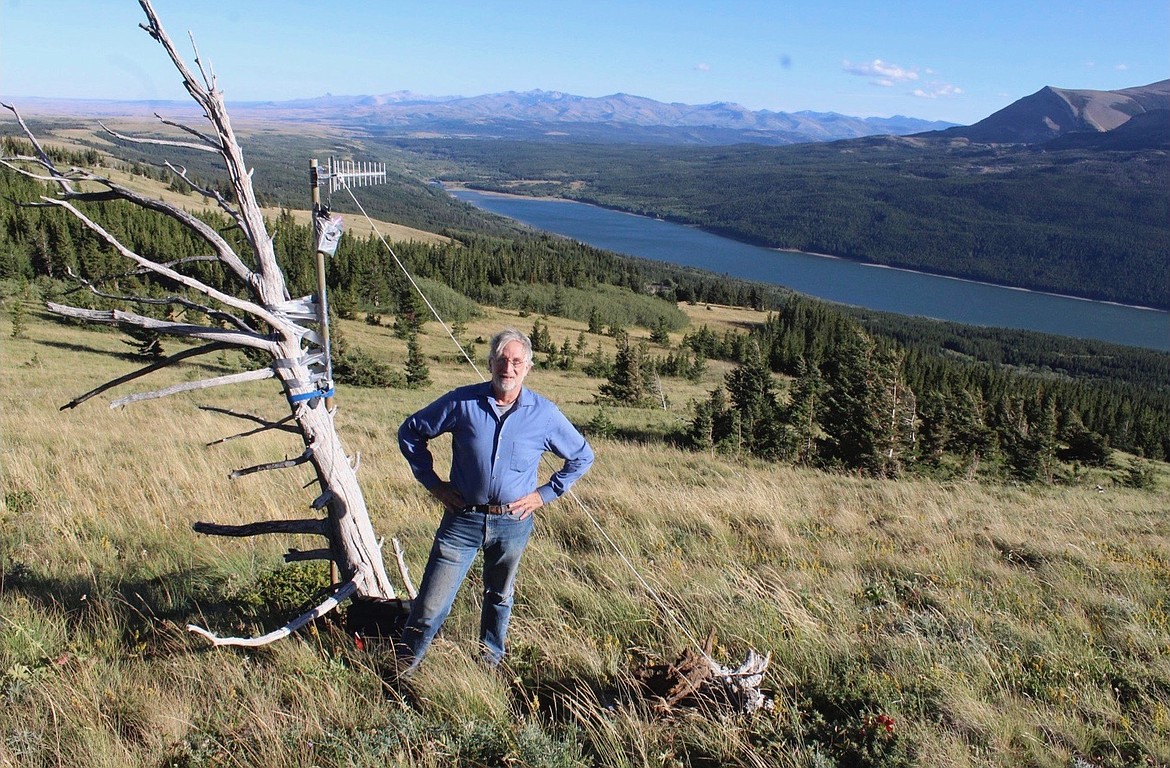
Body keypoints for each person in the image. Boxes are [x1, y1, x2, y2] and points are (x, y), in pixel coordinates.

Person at [396, 328, 594, 672]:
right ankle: (402, 668)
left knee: (499, 597)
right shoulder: (462, 402)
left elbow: (581, 456)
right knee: (430, 604)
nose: (509, 367)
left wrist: (544, 495)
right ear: (490, 363)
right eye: (502, 359)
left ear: (527, 368)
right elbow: (410, 431)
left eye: (517, 361)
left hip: (513, 524)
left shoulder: (543, 414)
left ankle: (489, 663)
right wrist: (434, 485)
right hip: (462, 521)